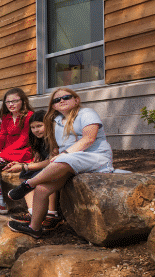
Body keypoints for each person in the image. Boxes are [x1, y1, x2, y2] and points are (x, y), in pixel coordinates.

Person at [8, 88, 113, 238]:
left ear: (76, 100)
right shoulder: (56, 121)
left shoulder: (86, 113)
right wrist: (55, 155)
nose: (61, 100)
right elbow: (56, 150)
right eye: (57, 100)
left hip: (93, 156)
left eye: (66, 97)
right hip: (69, 162)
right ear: (54, 106)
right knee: (42, 189)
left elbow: (89, 139)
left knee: (64, 159)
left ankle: (28, 184)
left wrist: (64, 154)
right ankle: (34, 228)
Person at [3, 110, 62, 229]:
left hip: (57, 167)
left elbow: (50, 161)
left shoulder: (55, 139)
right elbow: (38, 158)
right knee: (25, 174)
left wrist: (23, 166)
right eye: (33, 127)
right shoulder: (38, 139)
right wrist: (22, 164)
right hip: (46, 164)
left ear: (48, 124)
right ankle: (32, 212)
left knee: (45, 176)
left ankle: (52, 214)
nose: (36, 130)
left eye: (39, 126)